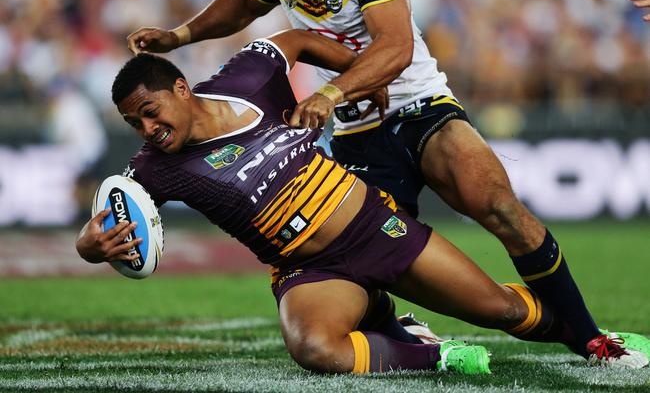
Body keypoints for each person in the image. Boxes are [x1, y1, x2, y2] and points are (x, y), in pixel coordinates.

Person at [125, 0, 650, 362]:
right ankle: (403, 332)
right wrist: (181, 35)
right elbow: (243, 1)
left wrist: (330, 94)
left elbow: (395, 47)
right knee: (361, 266)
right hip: (357, 134)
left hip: (420, 107)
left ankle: (591, 340)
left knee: (498, 205)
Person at [77, 30, 647, 372]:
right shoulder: (155, 168)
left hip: (378, 231)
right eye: (133, 123)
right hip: (310, 268)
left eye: (150, 111)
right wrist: (90, 246)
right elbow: (103, 217)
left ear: (181, 88)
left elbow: (293, 40)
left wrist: (350, 73)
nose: (146, 128)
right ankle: (436, 357)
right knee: (315, 350)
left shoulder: (246, 79)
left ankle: (594, 338)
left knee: (506, 311)